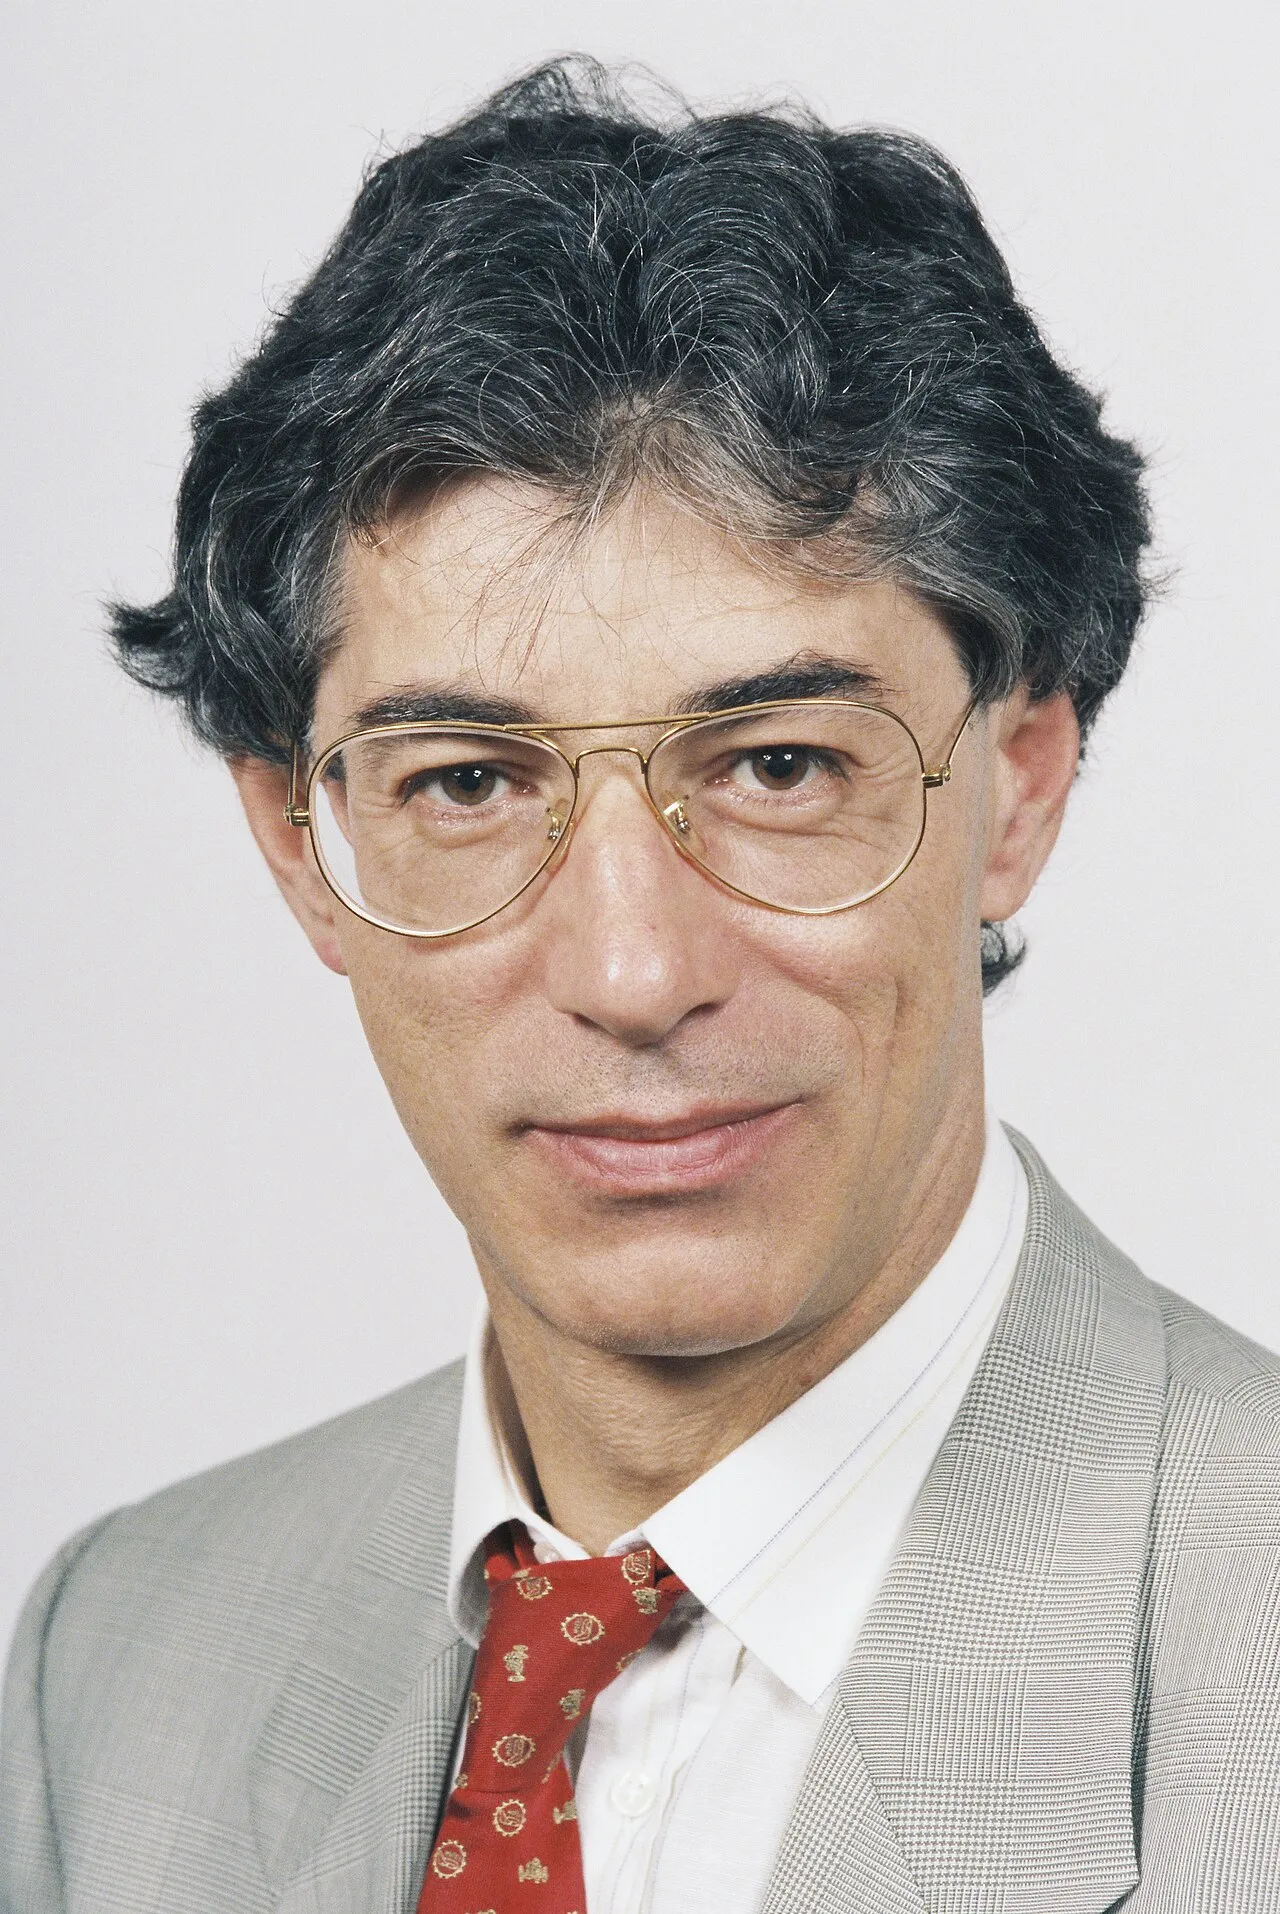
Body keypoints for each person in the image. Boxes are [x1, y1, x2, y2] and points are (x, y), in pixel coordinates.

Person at [3, 55, 1278, 1914]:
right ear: (302, 844)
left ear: (1018, 785)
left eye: (776, 768)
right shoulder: (116, 1669)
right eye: (467, 782)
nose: (630, 972)